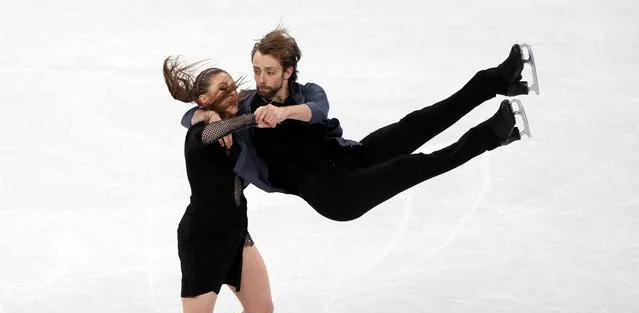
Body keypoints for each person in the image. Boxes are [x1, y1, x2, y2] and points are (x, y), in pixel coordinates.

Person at [182, 28, 538, 221]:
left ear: (288, 71)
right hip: (335, 196)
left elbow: (316, 111)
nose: (260, 78)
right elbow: (192, 121)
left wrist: (283, 114)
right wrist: (207, 113)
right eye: (257, 70)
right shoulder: (246, 108)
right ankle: (493, 134)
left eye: (269, 71)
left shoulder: (308, 93)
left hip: (350, 158)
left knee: (419, 122)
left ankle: (498, 80)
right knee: (412, 165)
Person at [134, 58, 275, 313]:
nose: (232, 94)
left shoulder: (221, 116)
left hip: (236, 232)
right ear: (202, 100)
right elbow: (209, 129)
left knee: (261, 308)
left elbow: (242, 106)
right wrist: (244, 118)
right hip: (203, 237)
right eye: (221, 90)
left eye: (233, 86)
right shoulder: (203, 134)